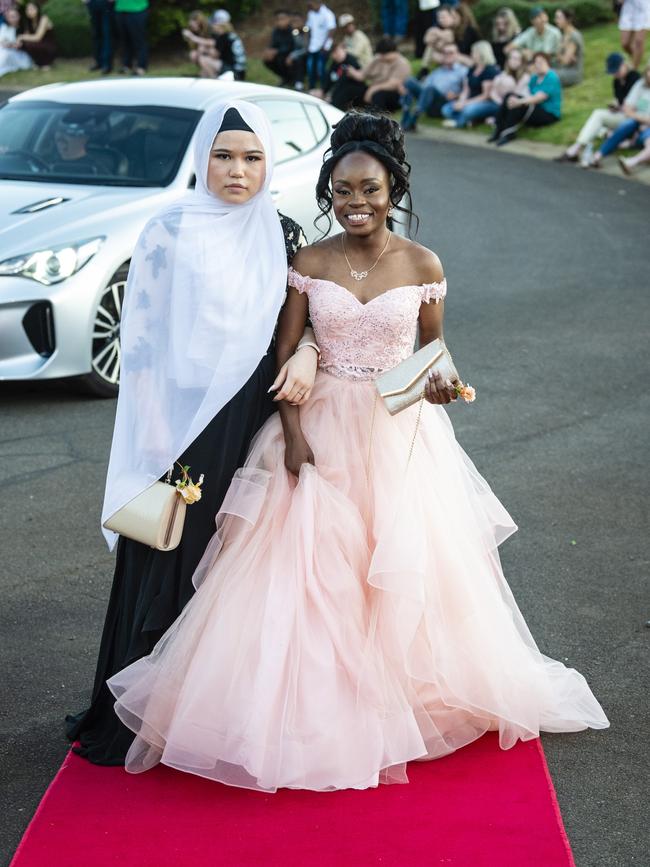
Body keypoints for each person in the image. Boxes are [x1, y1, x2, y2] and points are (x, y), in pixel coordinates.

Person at [107, 109, 610, 792]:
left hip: (399, 433)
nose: (356, 203)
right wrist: (291, 435)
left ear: (393, 187)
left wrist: (440, 382)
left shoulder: (423, 263)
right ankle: (307, 708)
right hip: (317, 426)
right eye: (342, 192)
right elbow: (286, 350)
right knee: (309, 573)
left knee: (399, 565)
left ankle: (400, 696)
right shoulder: (308, 262)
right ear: (327, 194)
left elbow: (431, 347)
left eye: (369, 190)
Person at [66, 100, 321, 766]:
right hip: (184, 424)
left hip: (255, 419)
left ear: (269, 163)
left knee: (238, 563)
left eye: (252, 157)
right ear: (203, 156)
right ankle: (139, 712)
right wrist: (154, 432)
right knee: (172, 551)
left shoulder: (284, 233)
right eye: (224, 155)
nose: (237, 171)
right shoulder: (168, 230)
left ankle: (222, 715)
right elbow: (142, 336)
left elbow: (305, 323)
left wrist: (309, 353)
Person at [555, 52, 640, 165]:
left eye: (616, 71)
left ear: (624, 65)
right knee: (598, 116)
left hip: (632, 117)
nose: (615, 74)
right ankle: (577, 146)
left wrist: (620, 107)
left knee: (599, 116)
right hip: (621, 114)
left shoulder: (635, 78)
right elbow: (618, 99)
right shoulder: (616, 81)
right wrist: (614, 105)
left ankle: (577, 149)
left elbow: (634, 105)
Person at [586, 61, 650, 170]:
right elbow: (627, 107)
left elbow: (632, 111)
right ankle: (598, 156)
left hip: (646, 128)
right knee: (627, 125)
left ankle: (631, 161)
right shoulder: (640, 84)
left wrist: (637, 116)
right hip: (635, 123)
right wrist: (640, 119)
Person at [489, 50, 561, 146]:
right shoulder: (535, 78)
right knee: (510, 96)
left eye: (541, 62)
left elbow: (539, 98)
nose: (538, 65)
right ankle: (499, 129)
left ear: (547, 63)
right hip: (535, 109)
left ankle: (509, 133)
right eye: (536, 62)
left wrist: (519, 101)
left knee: (516, 102)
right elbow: (526, 93)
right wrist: (516, 100)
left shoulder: (551, 77)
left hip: (548, 114)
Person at [401, 42, 467, 130]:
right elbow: (424, 87)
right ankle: (406, 114)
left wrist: (456, 95)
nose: (448, 55)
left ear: (457, 54)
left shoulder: (463, 71)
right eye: (445, 53)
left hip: (443, 102)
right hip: (427, 99)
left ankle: (414, 118)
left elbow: (469, 90)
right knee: (409, 81)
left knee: (430, 89)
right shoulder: (437, 71)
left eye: (451, 53)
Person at [441, 41, 500, 128]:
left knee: (468, 110)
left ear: (481, 54)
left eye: (473, 52)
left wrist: (465, 103)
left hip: (486, 103)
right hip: (470, 101)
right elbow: (466, 89)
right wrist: (461, 102)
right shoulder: (472, 69)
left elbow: (485, 96)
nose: (471, 54)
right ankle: (473, 120)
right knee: (446, 109)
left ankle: (459, 123)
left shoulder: (490, 70)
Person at [342, 37, 412, 112]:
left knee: (378, 95)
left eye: (383, 54)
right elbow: (362, 75)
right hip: (375, 88)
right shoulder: (378, 59)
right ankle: (343, 111)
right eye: (380, 54)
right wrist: (353, 72)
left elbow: (393, 84)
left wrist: (373, 89)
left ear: (393, 52)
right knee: (351, 89)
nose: (381, 56)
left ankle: (377, 119)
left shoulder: (402, 63)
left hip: (394, 93)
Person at [422, 3, 479, 68]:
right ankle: (424, 69)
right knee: (432, 48)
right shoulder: (452, 28)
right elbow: (427, 40)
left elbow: (461, 49)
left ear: (461, 17)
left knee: (441, 49)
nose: (452, 19)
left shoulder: (469, 30)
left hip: (466, 59)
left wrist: (439, 37)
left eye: (454, 16)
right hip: (453, 56)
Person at [198, 9, 247, 81]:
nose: (212, 26)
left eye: (214, 24)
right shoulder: (232, 35)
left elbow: (214, 55)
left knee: (203, 60)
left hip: (233, 73)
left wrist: (204, 50)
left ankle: (215, 82)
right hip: (241, 71)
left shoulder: (223, 36)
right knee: (203, 72)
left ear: (219, 25)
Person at [263, 9, 303, 87]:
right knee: (268, 60)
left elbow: (293, 45)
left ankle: (294, 80)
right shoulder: (276, 31)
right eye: (278, 19)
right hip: (280, 54)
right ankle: (285, 78)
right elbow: (273, 43)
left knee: (288, 60)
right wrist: (269, 51)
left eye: (283, 19)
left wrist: (277, 51)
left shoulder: (294, 30)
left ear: (288, 19)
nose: (280, 21)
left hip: (293, 54)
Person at [305, 1, 336, 91]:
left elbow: (332, 30)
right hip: (312, 46)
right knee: (310, 68)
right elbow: (308, 28)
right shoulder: (311, 13)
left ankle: (324, 89)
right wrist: (307, 43)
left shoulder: (328, 14)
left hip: (323, 47)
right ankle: (311, 88)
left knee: (321, 69)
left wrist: (326, 45)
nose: (310, 4)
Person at [16, 1, 56, 69]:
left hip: (48, 46)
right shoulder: (29, 22)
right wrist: (19, 41)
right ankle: (38, 62)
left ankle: (46, 63)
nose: (29, 11)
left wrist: (20, 37)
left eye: (32, 9)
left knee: (29, 43)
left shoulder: (44, 19)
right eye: (28, 9)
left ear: (37, 9)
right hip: (39, 44)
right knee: (23, 44)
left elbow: (38, 37)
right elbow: (27, 36)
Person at [324, 41, 362, 110]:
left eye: (337, 52)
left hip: (353, 89)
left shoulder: (351, 61)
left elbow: (345, 81)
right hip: (341, 90)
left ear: (344, 50)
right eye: (333, 53)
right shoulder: (334, 64)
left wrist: (331, 95)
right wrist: (324, 91)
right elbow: (330, 79)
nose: (336, 55)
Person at [115, 0, 148, 76]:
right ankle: (127, 65)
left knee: (139, 40)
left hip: (137, 10)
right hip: (121, 9)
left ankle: (141, 66)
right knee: (125, 40)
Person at [552, 8, 584, 87]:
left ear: (568, 20)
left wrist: (558, 55)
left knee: (546, 74)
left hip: (572, 73)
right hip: (562, 68)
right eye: (556, 18)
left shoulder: (574, 36)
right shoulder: (564, 35)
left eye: (558, 18)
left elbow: (565, 61)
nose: (556, 21)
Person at [83, 0, 114, 74]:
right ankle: (98, 62)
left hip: (106, 3)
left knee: (107, 34)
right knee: (96, 34)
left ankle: (106, 64)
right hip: (93, 3)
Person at [0, 6, 31, 77]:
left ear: (19, 16)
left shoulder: (23, 28)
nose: (12, 19)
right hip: (5, 50)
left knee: (5, 53)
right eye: (10, 16)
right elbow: (1, 41)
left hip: (19, 55)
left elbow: (21, 45)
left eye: (14, 16)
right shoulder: (5, 27)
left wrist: (11, 44)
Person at [618, 0, 650, 70]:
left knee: (639, 41)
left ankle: (634, 69)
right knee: (625, 44)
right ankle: (636, 57)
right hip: (628, 9)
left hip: (644, 7)